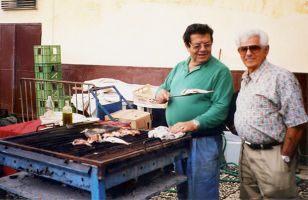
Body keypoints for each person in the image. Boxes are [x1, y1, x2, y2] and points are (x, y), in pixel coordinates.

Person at [155, 23, 233, 199]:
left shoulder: (220, 71)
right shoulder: (179, 67)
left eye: (207, 44)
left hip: (203, 140)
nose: (203, 49)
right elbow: (163, 86)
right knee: (183, 185)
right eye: (197, 45)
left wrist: (192, 124)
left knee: (202, 189)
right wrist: (160, 93)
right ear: (187, 46)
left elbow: (220, 108)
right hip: (178, 139)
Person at [234, 29, 308, 199]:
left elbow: (297, 123)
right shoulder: (246, 77)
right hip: (246, 151)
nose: (248, 53)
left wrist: (285, 157)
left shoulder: (281, 77)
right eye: (243, 49)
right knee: (250, 195)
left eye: (254, 48)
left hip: (272, 153)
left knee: (278, 197)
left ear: (266, 50)